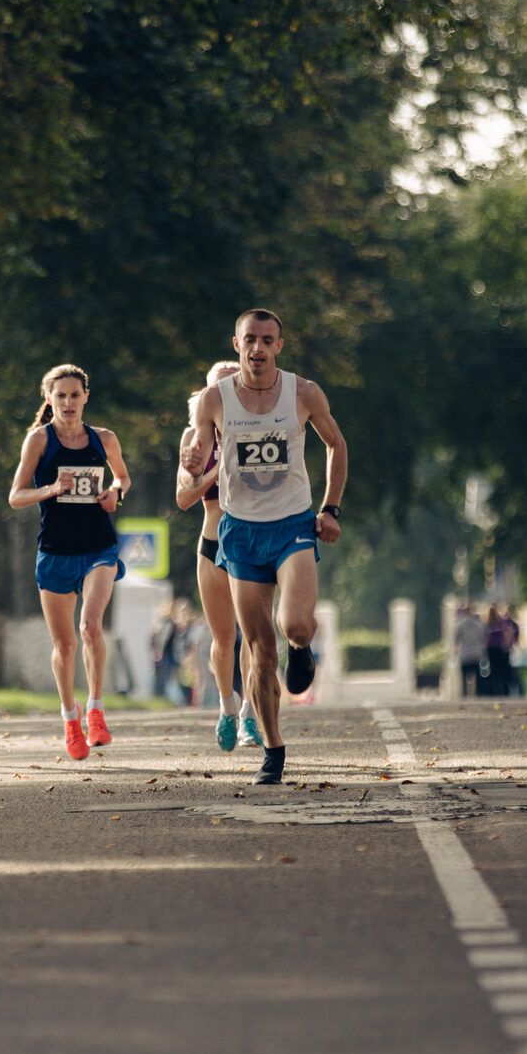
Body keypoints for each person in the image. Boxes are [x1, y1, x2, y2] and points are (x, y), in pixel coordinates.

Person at [182, 309, 347, 785]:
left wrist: (330, 508)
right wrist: (194, 460)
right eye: (249, 339)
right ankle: (273, 750)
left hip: (293, 525)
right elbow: (196, 453)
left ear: (279, 346)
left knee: (294, 624)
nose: (257, 348)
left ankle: (303, 646)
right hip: (240, 531)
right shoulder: (214, 400)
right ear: (236, 345)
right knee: (259, 650)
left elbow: (337, 445)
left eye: (266, 340)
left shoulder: (304, 393)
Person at [9, 364, 131, 760]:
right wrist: (50, 489)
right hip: (55, 552)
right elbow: (15, 496)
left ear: (85, 397)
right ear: (49, 399)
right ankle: (69, 718)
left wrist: (116, 492)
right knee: (64, 644)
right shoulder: (38, 441)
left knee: (90, 626)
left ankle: (95, 708)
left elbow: (123, 478)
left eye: (74, 395)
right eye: (60, 396)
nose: (67, 402)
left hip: (99, 548)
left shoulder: (104, 439)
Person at [175, 360, 266, 750]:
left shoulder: (263, 428)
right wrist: (218, 470)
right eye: (219, 389)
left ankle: (249, 715)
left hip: (252, 541)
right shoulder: (193, 440)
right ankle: (227, 709)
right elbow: (182, 497)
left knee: (253, 636)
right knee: (223, 638)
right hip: (212, 543)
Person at [453, 605, 486, 698]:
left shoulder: (460, 625)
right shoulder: (479, 625)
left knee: (464, 677)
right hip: (476, 653)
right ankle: (478, 695)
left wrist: (455, 654)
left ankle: (464, 695)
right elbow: (483, 639)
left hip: (464, 654)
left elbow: (456, 641)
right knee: (478, 677)